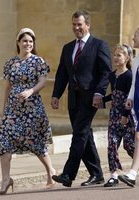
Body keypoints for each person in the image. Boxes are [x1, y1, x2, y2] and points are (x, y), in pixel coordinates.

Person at [51, 10, 112, 187]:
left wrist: (99, 93)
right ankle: (97, 174)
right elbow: (62, 74)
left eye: (79, 24)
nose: (76, 27)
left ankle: (68, 174)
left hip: (91, 98)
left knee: (79, 133)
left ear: (87, 25)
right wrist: (56, 95)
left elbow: (105, 72)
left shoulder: (99, 45)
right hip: (73, 98)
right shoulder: (68, 47)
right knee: (85, 135)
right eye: (74, 24)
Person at [0, 28, 56, 195]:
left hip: (32, 109)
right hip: (12, 110)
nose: (28, 43)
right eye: (25, 41)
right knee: (4, 141)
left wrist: (30, 91)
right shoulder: (10, 63)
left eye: (30, 41)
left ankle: (50, 170)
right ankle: (6, 179)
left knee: (35, 142)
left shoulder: (38, 62)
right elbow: (8, 87)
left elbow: (43, 82)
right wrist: (4, 110)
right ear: (18, 42)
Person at [103, 44, 135, 187]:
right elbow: (114, 94)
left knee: (129, 145)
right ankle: (113, 175)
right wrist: (102, 100)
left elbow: (130, 96)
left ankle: (136, 167)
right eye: (114, 55)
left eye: (119, 55)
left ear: (127, 58)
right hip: (114, 115)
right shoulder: (112, 75)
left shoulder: (129, 76)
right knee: (112, 144)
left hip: (127, 116)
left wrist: (125, 115)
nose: (115, 58)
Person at [118, 27, 139, 187]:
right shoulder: (137, 59)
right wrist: (130, 99)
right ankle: (132, 173)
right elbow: (134, 83)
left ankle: (132, 173)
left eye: (136, 36)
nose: (133, 40)